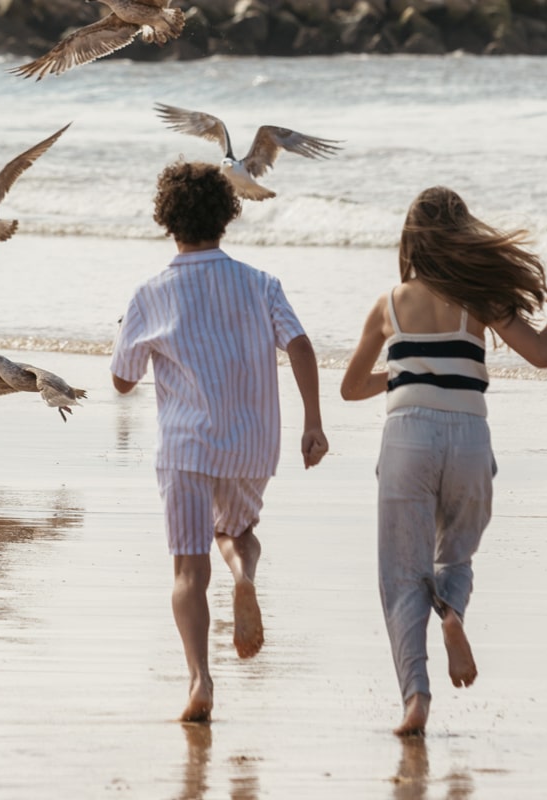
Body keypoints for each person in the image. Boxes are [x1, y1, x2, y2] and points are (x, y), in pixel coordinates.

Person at [340, 186, 547, 736]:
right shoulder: (483, 297)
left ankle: (415, 702)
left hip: (407, 435)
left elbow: (351, 388)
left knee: (402, 575)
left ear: (411, 240)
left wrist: (407, 372)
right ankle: (450, 611)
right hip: (470, 435)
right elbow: (544, 354)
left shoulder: (389, 303)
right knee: (457, 557)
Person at [111, 161, 329, 723]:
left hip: (185, 446)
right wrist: (313, 422)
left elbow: (122, 379)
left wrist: (132, 336)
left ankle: (200, 681)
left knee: (187, 570)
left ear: (166, 220)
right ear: (227, 215)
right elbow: (301, 346)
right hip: (251, 441)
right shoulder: (261, 283)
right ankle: (244, 576)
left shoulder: (150, 292)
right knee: (238, 530)